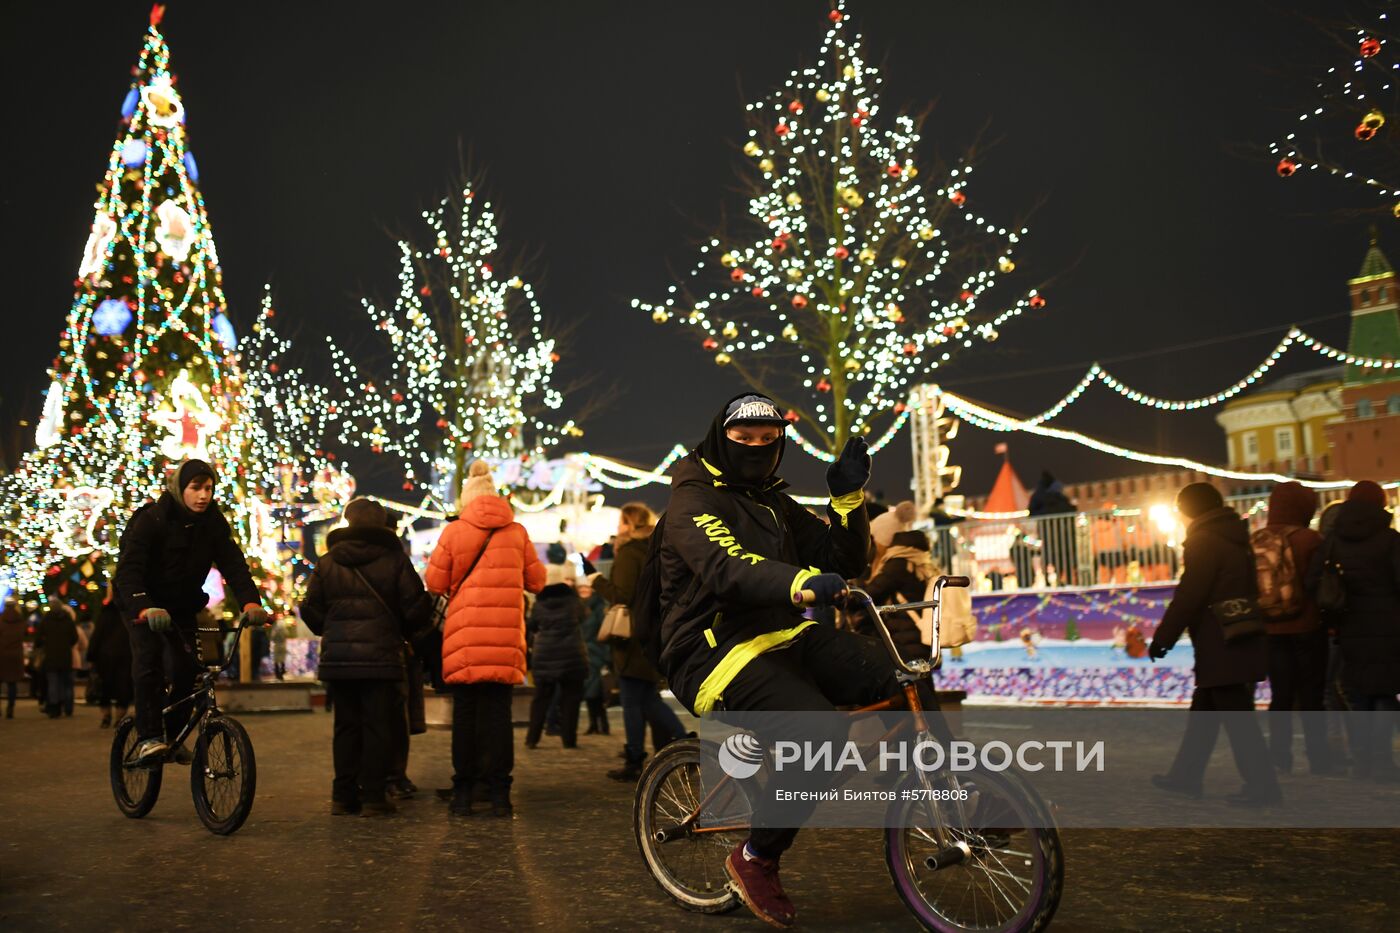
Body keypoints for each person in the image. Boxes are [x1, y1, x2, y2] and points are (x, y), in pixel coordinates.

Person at [657, 392, 926, 929]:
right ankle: (756, 857)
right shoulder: (693, 498)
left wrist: (846, 499)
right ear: (721, 438)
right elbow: (727, 566)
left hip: (783, 634)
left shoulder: (772, 501)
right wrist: (799, 582)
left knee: (901, 674)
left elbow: (842, 559)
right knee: (818, 733)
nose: (756, 448)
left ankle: (943, 798)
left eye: (768, 439)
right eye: (743, 438)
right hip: (710, 650)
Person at [113, 459, 270, 762]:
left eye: (208, 488)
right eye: (196, 488)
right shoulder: (153, 519)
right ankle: (148, 737)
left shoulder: (213, 524)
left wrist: (251, 602)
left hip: (181, 604)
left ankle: (172, 737)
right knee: (149, 660)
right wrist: (144, 606)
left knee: (188, 668)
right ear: (180, 488)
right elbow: (129, 570)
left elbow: (234, 566)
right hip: (142, 604)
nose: (203, 495)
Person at [426, 460, 545, 818]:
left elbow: (434, 583)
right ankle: (499, 795)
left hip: (464, 639)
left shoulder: (453, 532)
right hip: (505, 639)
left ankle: (463, 793)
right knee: (498, 717)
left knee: (465, 717)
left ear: (467, 499)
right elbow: (537, 582)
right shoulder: (517, 532)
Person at [1148, 482, 1280, 806]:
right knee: (1204, 715)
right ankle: (1186, 776)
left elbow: (1190, 594)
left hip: (1220, 640)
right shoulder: (1234, 535)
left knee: (1238, 720)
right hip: (1237, 634)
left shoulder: (1204, 540)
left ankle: (1263, 788)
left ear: (1188, 510)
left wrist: (1163, 638)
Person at [301, 497, 433, 816]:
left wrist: (332, 630)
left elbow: (310, 608)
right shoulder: (395, 560)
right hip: (382, 657)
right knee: (378, 725)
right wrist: (399, 628)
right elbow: (416, 608)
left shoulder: (328, 562)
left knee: (346, 726)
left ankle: (343, 796)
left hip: (340, 659)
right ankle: (374, 796)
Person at [1307, 480, 1400, 781]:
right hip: (1389, 627)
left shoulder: (1334, 541)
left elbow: (1312, 582)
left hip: (1348, 626)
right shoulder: (1391, 540)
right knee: (1384, 691)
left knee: (1358, 693)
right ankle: (1382, 760)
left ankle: (1362, 760)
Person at [592, 503, 690, 782]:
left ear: (630, 524)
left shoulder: (629, 553)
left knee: (633, 702)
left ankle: (639, 757)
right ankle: (681, 743)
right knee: (647, 699)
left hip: (631, 636)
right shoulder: (658, 549)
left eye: (621, 522)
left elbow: (623, 595)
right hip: (653, 632)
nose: (617, 528)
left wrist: (596, 580)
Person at [1257, 482, 1333, 775]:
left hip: (1271, 630)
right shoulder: (1310, 539)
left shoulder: (1256, 539)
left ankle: (1280, 757)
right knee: (1312, 696)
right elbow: (1321, 584)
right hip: (1308, 626)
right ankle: (1318, 758)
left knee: (1281, 696)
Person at [525, 564, 588, 748]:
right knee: (571, 699)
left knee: (541, 698)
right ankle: (569, 740)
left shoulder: (539, 603)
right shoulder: (573, 600)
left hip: (545, 655)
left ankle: (532, 739)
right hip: (572, 654)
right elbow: (584, 617)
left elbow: (532, 626)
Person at [860, 530, 936, 664]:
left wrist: (849, 594)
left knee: (909, 672)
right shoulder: (923, 562)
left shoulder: (899, 564)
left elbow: (872, 592)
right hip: (923, 633)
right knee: (922, 671)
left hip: (905, 637)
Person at [87, 585, 133, 728]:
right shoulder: (130, 611)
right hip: (126, 655)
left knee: (105, 687)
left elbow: (97, 635)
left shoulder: (105, 613)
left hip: (105, 656)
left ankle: (106, 716)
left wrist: (91, 656)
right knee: (123, 687)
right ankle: (120, 716)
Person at [1028, 471, 1077, 586]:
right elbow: (1069, 509)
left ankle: (1054, 581)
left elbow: (1032, 511)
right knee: (1061, 556)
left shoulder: (1040, 495)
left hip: (1050, 532)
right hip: (1058, 532)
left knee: (1052, 556)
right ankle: (1062, 581)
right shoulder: (1056, 496)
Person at [579, 577, 610, 735]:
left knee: (595, 691)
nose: (584, 590)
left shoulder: (599, 607)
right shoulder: (579, 607)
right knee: (591, 692)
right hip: (584, 654)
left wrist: (606, 657)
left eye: (587, 587)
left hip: (596, 653)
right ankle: (596, 724)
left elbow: (604, 632)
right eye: (581, 587)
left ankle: (602, 724)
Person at [37, 604, 79, 718]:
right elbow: (74, 638)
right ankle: (68, 707)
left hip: (51, 657)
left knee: (53, 683)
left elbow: (38, 638)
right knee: (66, 684)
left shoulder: (46, 621)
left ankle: (54, 708)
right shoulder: (68, 621)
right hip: (65, 657)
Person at [0, 598, 26, 719]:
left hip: (1, 655)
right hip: (15, 655)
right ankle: (10, 707)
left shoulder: (1, 620)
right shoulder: (20, 621)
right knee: (12, 684)